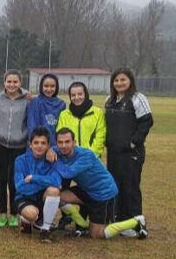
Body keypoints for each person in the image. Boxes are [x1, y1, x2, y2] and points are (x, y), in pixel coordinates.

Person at [53, 128, 148, 239]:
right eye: (60, 142)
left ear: (74, 143)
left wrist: (54, 161)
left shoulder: (85, 155)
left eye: (67, 142)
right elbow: (52, 149)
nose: (63, 145)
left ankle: (136, 222)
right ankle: (82, 224)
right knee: (57, 196)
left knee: (97, 235)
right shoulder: (60, 151)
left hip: (104, 195)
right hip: (87, 190)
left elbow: (68, 173)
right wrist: (51, 150)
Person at [104, 68, 153, 223]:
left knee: (130, 186)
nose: (119, 83)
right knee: (115, 184)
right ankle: (119, 218)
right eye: (116, 80)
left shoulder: (138, 98)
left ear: (130, 81)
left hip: (131, 153)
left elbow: (147, 121)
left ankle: (135, 222)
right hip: (113, 152)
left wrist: (134, 141)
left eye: (123, 80)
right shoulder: (109, 100)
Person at [0, 70, 31, 228]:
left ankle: (14, 213)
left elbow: (29, 121)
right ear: (4, 82)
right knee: (0, 179)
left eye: (15, 82)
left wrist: (24, 135)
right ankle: (2, 214)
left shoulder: (27, 100)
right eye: (9, 82)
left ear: (20, 83)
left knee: (14, 181)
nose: (12, 85)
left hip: (19, 146)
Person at [14, 127, 62, 243]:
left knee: (54, 190)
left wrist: (34, 178)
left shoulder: (52, 160)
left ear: (48, 146)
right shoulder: (20, 160)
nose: (39, 146)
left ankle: (45, 230)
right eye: (36, 142)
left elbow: (57, 182)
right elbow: (20, 187)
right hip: (24, 198)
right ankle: (26, 220)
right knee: (32, 214)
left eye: (43, 143)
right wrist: (44, 182)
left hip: (42, 197)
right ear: (30, 145)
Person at [56, 81, 106, 157]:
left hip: (91, 158)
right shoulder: (64, 114)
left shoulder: (97, 113)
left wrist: (89, 155)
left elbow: (100, 136)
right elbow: (60, 136)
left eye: (80, 94)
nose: (77, 97)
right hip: (71, 159)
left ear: (85, 94)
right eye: (73, 95)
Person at [27, 73, 65, 146]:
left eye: (52, 86)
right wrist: (38, 143)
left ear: (56, 87)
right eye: (46, 86)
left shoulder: (61, 104)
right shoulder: (36, 102)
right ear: (41, 86)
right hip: (38, 146)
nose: (49, 89)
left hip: (55, 147)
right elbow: (32, 126)